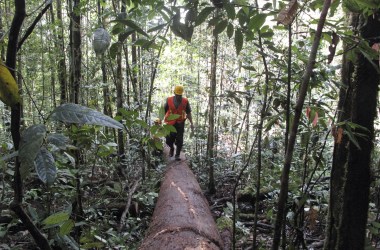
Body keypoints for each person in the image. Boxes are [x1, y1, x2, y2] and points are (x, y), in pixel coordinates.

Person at [164, 85, 194, 161]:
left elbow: (189, 113)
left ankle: (177, 155)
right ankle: (171, 148)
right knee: (168, 140)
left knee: (180, 140)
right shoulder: (169, 100)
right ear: (174, 93)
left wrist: (191, 123)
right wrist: (162, 120)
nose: (178, 96)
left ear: (182, 94)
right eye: (177, 95)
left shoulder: (185, 101)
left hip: (180, 122)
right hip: (170, 123)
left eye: (180, 95)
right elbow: (164, 110)